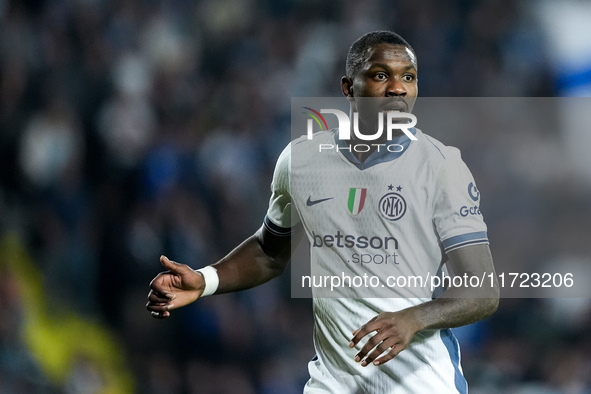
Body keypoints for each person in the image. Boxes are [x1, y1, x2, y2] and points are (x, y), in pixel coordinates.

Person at [147, 30, 499, 393]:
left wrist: (413, 319)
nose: (397, 88)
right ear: (348, 87)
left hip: (421, 382)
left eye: (408, 77)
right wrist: (206, 280)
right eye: (381, 75)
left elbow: (483, 290)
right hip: (333, 383)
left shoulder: (441, 168)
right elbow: (270, 252)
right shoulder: (300, 161)